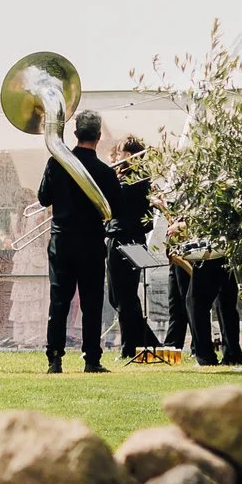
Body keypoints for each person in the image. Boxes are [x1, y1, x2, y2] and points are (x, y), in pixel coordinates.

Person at [40, 108, 124, 374]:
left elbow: (43, 198)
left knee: (59, 301)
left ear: (75, 133)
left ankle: (55, 359)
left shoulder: (57, 163)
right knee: (91, 302)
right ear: (99, 136)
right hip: (91, 242)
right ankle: (91, 359)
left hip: (62, 240)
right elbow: (117, 209)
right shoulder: (105, 172)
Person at [107, 137, 162, 360]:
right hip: (127, 238)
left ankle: (130, 347)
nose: (116, 158)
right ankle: (150, 345)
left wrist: (110, 178)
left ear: (128, 156)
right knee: (121, 297)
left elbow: (115, 203)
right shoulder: (133, 178)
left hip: (125, 239)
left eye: (120, 153)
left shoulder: (132, 180)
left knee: (124, 297)